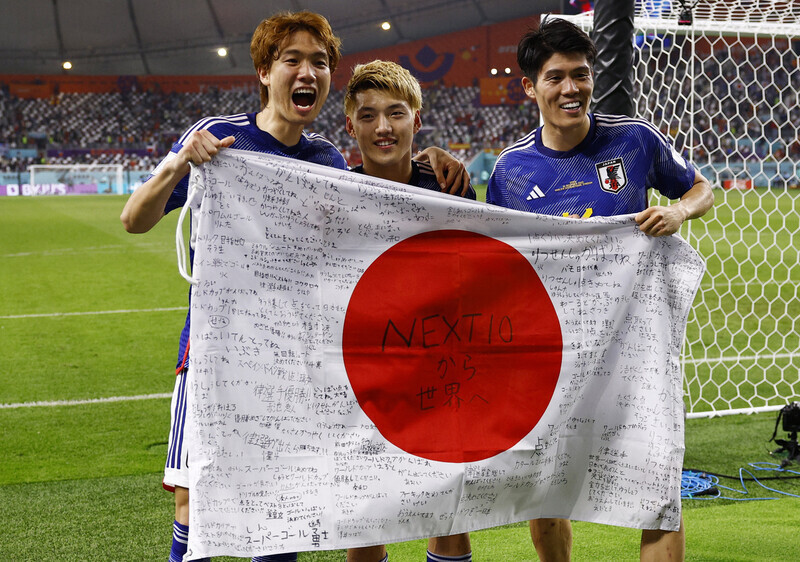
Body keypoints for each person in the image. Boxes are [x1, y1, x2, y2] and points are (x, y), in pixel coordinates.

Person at [120, 12, 468, 562]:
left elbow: (369, 217)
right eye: (292, 60)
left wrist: (426, 157)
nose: (307, 72)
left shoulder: (325, 160)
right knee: (195, 499)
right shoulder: (218, 139)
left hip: (290, 363)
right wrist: (180, 163)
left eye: (320, 63)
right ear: (264, 71)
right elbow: (134, 219)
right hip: (215, 355)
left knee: (283, 504)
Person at [486, 17, 714, 562]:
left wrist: (679, 209)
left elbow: (702, 187)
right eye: (557, 77)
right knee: (548, 487)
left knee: (658, 480)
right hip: (550, 353)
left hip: (636, 349)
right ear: (530, 86)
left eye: (581, 75)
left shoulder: (634, 139)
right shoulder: (511, 171)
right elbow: (498, 261)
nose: (572, 89)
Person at [342, 59, 475, 562]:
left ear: (416, 122)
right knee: (366, 513)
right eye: (369, 115)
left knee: (448, 506)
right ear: (350, 125)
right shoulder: (334, 192)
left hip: (440, 367)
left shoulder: (450, 186)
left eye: (395, 114)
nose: (383, 127)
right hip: (365, 372)